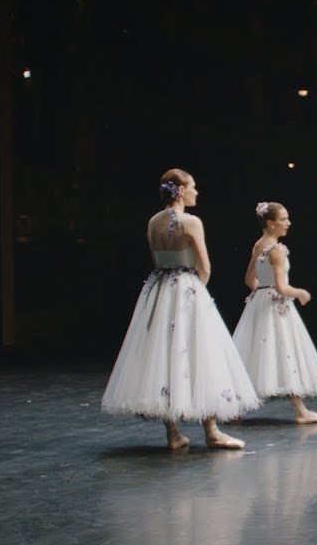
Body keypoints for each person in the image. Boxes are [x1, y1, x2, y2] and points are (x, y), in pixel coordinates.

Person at [101, 169, 259, 450]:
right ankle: (211, 431)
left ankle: (172, 433)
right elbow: (205, 266)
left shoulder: (153, 222)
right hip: (187, 288)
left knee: (165, 354)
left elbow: (157, 260)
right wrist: (197, 291)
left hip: (160, 290)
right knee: (200, 352)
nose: (196, 192)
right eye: (193, 187)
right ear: (181, 191)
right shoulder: (191, 222)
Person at [233, 201, 317, 424]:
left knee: (255, 354)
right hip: (277, 306)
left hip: (260, 304)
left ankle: (236, 408)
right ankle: (300, 411)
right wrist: (300, 293)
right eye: (283, 219)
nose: (288, 223)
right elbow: (281, 287)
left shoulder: (259, 245)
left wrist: (261, 293)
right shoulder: (276, 250)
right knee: (286, 354)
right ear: (270, 223)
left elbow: (249, 279)